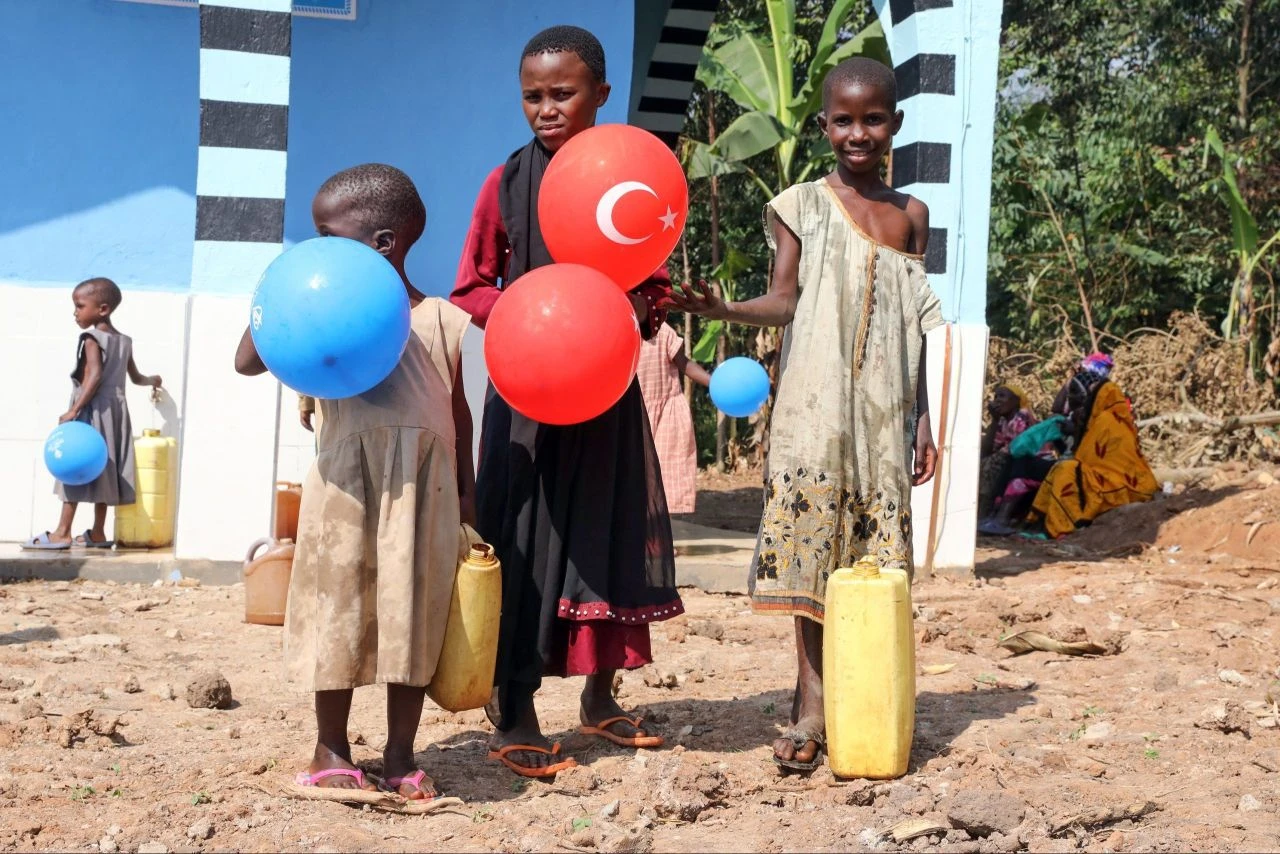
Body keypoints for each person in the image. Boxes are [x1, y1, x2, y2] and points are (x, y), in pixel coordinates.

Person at [665, 57, 942, 773]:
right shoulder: (801, 204)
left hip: (884, 421)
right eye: (844, 120)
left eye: (873, 119)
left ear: (895, 126)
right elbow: (785, 300)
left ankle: (868, 702)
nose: (858, 132)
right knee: (812, 563)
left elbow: (913, 327)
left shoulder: (912, 215)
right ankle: (810, 705)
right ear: (824, 127)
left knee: (875, 567)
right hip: (814, 413)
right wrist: (723, 309)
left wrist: (923, 420)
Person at [451, 25, 683, 778]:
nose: (546, 108)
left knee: (603, 535)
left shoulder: (627, 181)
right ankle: (512, 708)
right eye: (533, 96)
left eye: (563, 93)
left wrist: (641, 307)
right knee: (521, 541)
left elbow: (649, 276)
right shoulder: (504, 183)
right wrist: (531, 312)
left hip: (607, 392)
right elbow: (470, 286)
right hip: (527, 399)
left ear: (601, 95)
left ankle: (600, 698)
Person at [234, 164, 475, 801]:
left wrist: (470, 503)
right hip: (343, 485)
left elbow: (460, 418)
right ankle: (331, 749)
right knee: (335, 608)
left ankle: (399, 755)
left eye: (325, 235)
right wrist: (286, 287)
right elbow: (246, 359)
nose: (314, 247)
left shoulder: (442, 320)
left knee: (413, 612)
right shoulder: (314, 308)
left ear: (383, 243)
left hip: (424, 488)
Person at [24, 278, 162, 551]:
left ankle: (62, 532)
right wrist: (153, 380)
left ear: (102, 309)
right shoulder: (124, 341)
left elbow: (95, 375)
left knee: (74, 464)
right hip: (116, 413)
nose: (75, 312)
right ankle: (98, 533)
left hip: (91, 410)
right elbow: (135, 377)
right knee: (105, 467)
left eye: (79, 306)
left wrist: (73, 410)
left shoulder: (91, 338)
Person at [1029, 356, 1157, 538]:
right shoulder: (1092, 419)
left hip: (1118, 483)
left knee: (1066, 470)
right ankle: (1041, 523)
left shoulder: (1107, 421)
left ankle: (1064, 527)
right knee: (1063, 468)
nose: (1069, 398)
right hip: (1100, 475)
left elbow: (1096, 461)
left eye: (1073, 393)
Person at [636, 322, 711, 516]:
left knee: (663, 476)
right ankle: (639, 538)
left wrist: (714, 383)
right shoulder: (619, 330)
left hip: (665, 416)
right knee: (635, 476)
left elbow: (684, 363)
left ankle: (661, 539)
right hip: (634, 416)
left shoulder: (662, 331)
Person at [977, 384, 1035, 521]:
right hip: (1009, 459)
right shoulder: (1003, 420)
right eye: (996, 396)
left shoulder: (1022, 416)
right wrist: (994, 420)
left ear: (1016, 401)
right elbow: (988, 449)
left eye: (1002, 396)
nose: (997, 400)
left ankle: (984, 511)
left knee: (994, 462)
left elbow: (1016, 448)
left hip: (1027, 460)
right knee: (983, 460)